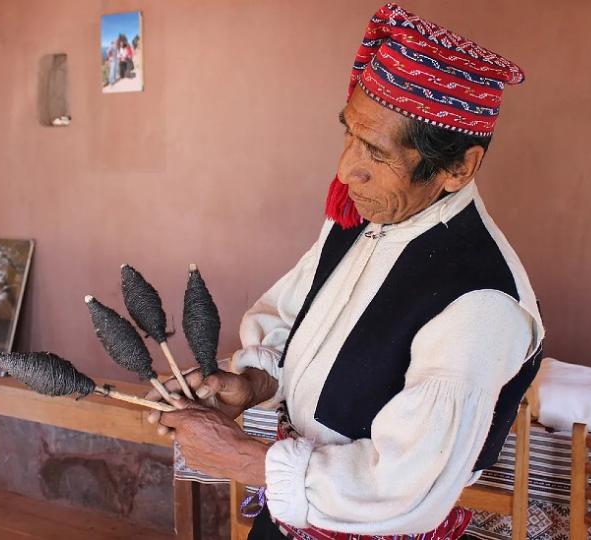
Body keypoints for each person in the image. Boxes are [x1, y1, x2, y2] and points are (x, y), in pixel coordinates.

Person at [148, 4, 544, 538]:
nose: (344, 169)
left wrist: (241, 458)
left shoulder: (481, 303)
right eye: (349, 136)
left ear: (458, 168)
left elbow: (403, 484)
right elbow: (298, 318)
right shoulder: (367, 216)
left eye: (375, 153)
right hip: (290, 514)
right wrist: (250, 382)